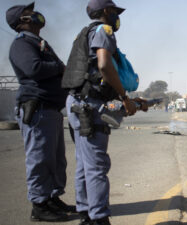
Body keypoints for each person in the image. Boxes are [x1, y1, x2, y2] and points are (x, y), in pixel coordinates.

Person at [63, 0, 147, 224]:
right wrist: (125, 98)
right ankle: (99, 218)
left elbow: (94, 79)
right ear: (107, 12)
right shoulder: (103, 30)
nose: (117, 17)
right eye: (115, 12)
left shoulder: (83, 33)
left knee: (84, 163)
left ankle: (86, 214)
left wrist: (128, 101)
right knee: (97, 166)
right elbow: (104, 65)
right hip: (88, 106)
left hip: (76, 103)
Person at [6, 2, 75, 222]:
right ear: (22, 21)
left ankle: (52, 198)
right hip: (37, 109)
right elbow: (33, 68)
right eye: (29, 14)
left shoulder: (39, 42)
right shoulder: (22, 44)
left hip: (51, 109)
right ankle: (39, 205)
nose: (35, 15)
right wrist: (59, 68)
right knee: (39, 159)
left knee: (55, 160)